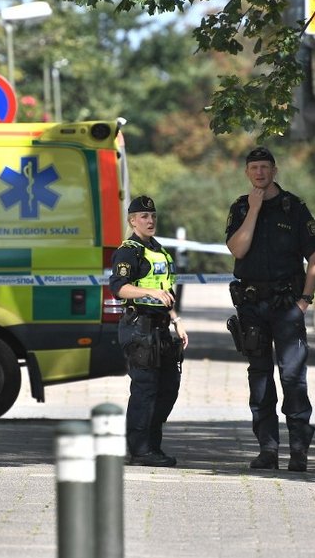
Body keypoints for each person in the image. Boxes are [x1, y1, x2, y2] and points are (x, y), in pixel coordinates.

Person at [225, 146, 315, 472]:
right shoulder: (241, 207)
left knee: (293, 378)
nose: (259, 173)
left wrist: (305, 301)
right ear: (247, 172)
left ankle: (298, 451)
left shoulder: (293, 207)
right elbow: (238, 248)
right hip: (253, 306)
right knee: (260, 379)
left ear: (274, 170)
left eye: (265, 167)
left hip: (286, 306)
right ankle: (267, 449)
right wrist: (253, 210)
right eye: (254, 168)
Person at [110, 195, 189, 467]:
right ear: (132, 221)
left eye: (153, 215)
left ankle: (153, 446)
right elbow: (119, 287)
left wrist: (177, 320)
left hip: (161, 328)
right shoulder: (129, 250)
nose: (150, 220)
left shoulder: (158, 250)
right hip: (138, 327)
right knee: (145, 390)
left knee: (168, 387)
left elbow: (166, 291)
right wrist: (149, 292)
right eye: (144, 216)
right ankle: (141, 449)